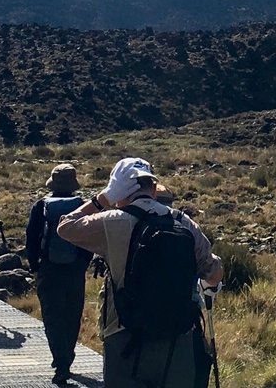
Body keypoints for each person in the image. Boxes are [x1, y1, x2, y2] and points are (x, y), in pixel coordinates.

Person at [56, 157, 223, 388]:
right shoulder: (183, 222)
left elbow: (65, 227)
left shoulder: (113, 221)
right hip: (177, 338)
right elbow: (213, 273)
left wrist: (103, 198)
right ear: (153, 188)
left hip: (124, 335)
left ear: (118, 188)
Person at [26, 163, 95, 385]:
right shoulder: (82, 206)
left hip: (48, 267)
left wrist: (35, 265)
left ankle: (60, 360)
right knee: (72, 313)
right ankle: (68, 356)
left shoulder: (41, 206)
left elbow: (32, 237)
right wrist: (83, 263)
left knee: (52, 315)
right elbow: (89, 240)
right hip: (74, 268)